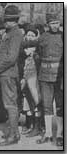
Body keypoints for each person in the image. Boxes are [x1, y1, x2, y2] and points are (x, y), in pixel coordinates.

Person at [0, 5, 23, 146]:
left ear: (14, 20)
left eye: (7, 20)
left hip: (8, 73)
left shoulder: (15, 34)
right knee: (10, 104)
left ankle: (13, 136)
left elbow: (11, 58)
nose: (5, 22)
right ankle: (14, 133)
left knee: (10, 104)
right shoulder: (10, 32)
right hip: (6, 73)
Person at [36, 12, 63, 145]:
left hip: (59, 76)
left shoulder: (63, 36)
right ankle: (47, 134)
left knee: (60, 106)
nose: (55, 26)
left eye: (57, 23)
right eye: (52, 23)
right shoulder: (42, 37)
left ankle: (59, 135)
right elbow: (39, 54)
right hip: (45, 75)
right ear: (47, 25)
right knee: (46, 105)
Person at [19, 25, 42, 137]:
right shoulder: (22, 47)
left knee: (36, 99)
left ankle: (38, 127)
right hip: (25, 75)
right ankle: (30, 125)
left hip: (35, 76)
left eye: (32, 35)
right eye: (28, 35)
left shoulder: (39, 47)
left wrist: (34, 54)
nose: (30, 37)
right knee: (27, 100)